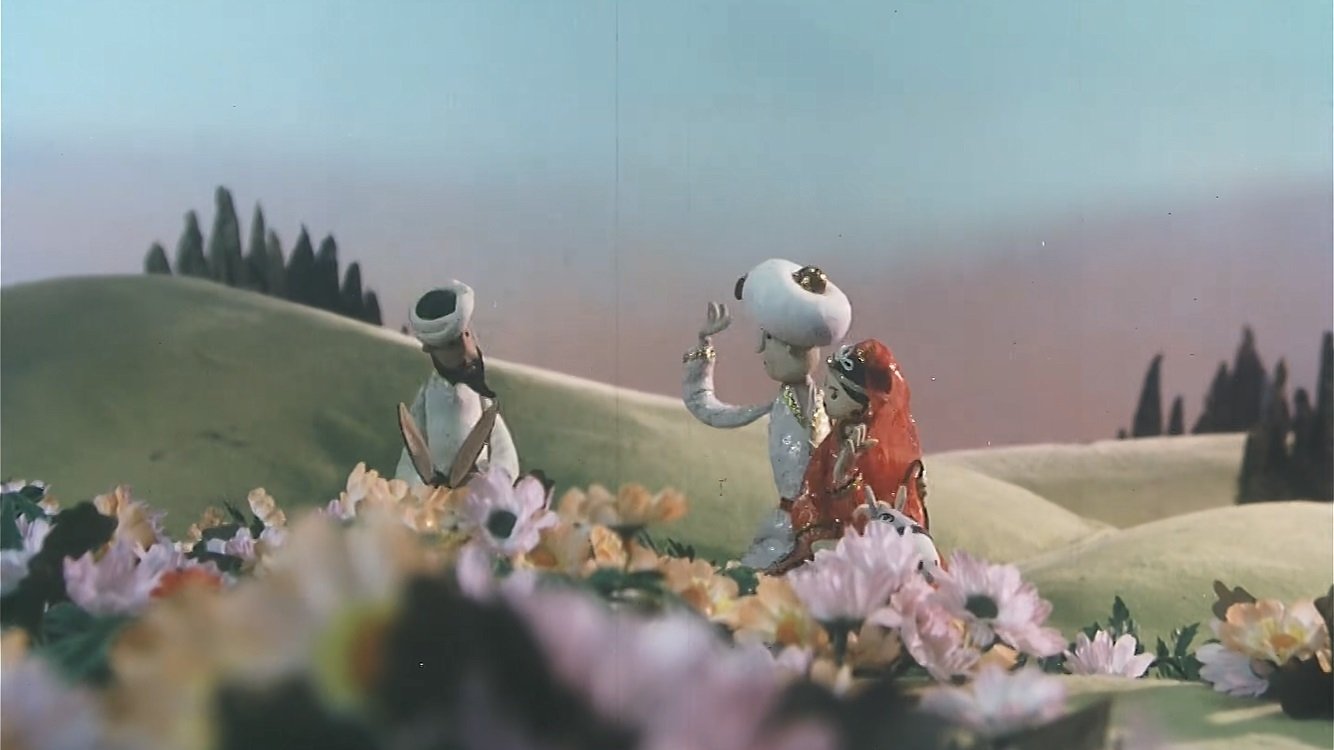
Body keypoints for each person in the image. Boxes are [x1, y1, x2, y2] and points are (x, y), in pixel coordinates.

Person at [682, 259, 853, 569]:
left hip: (809, 533)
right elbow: (708, 408)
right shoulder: (790, 405)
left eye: (769, 339)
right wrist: (703, 345)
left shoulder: (824, 406)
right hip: (792, 528)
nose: (760, 350)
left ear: (790, 349)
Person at [768, 338, 930, 574]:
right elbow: (815, 491)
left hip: (869, 544)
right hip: (831, 532)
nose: (824, 397)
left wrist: (844, 478)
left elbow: (868, 514)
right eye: (826, 387)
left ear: (862, 406)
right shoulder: (838, 437)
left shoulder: (878, 450)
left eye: (834, 394)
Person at [395, 281, 521, 484]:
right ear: (430, 349)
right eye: (452, 344)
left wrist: (499, 478)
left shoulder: (481, 399)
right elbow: (414, 444)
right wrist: (408, 482)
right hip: (435, 490)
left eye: (467, 335)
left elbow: (501, 444)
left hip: (475, 486)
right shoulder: (428, 395)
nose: (466, 349)